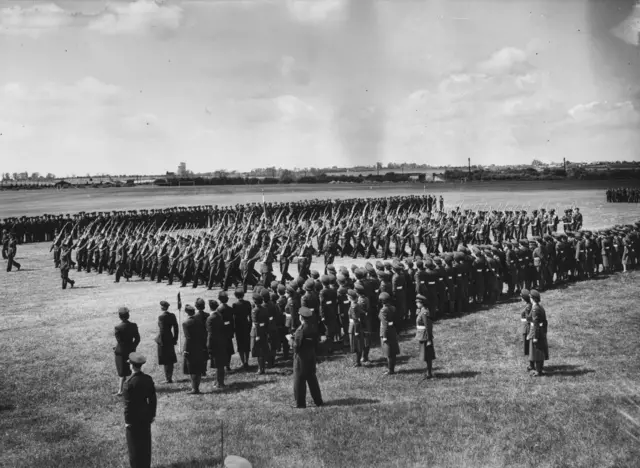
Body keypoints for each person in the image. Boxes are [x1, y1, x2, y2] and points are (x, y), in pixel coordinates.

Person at [123, 352, 157, 468]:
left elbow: (128, 406)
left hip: (133, 419)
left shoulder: (128, 383)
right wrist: (152, 415)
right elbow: (153, 399)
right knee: (145, 445)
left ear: (131, 366)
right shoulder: (148, 379)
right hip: (145, 415)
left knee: (134, 447)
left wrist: (127, 421)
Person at [290, 306, 324, 409]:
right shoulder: (313, 326)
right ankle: (318, 400)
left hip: (301, 357)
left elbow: (296, 346)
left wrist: (290, 340)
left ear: (301, 317)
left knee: (299, 381)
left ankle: (300, 403)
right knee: (312, 379)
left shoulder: (301, 329)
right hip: (311, 355)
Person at [114, 307, 141, 396]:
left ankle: (120, 391)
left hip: (121, 352)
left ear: (120, 317)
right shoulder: (133, 325)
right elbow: (137, 339)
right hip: (130, 351)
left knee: (122, 373)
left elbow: (120, 342)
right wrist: (132, 347)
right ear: (128, 315)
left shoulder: (118, 327)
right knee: (132, 369)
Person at [182, 304, 206, 394]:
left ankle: (194, 388)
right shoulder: (199, 321)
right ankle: (197, 387)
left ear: (186, 313)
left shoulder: (185, 323)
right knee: (198, 369)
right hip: (199, 347)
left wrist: (185, 350)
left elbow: (188, 338)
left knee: (192, 369)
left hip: (191, 348)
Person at [206, 298, 228, 389]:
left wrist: (208, 345)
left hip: (214, 343)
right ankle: (219, 381)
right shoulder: (219, 315)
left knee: (218, 364)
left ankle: (220, 382)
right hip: (221, 341)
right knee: (220, 364)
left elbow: (210, 333)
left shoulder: (210, 318)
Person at [155, 300, 178, 383]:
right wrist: (175, 339)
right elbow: (176, 328)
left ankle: (168, 379)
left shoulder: (161, 317)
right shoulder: (172, 315)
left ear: (162, 307)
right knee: (170, 359)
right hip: (170, 338)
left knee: (165, 359)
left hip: (163, 340)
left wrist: (159, 340)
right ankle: (169, 377)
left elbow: (162, 330)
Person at [528, 289, 549, 376]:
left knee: (537, 352)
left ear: (532, 298)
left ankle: (538, 370)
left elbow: (536, 323)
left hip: (537, 332)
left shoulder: (535, 309)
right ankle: (538, 369)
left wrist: (535, 336)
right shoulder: (538, 307)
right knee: (538, 351)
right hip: (540, 331)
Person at [378, 292, 400, 375]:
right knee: (392, 351)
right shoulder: (392, 307)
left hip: (386, 331)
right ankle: (391, 368)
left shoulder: (383, 310)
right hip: (392, 329)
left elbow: (384, 324)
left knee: (388, 352)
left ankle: (390, 370)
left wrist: (384, 336)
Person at [415, 295, 436, 378]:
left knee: (428, 355)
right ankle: (428, 372)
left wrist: (429, 339)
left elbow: (428, 326)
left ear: (422, 303)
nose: (416, 304)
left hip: (425, 336)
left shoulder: (424, 312)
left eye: (418, 302)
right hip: (422, 335)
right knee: (426, 355)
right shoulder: (421, 311)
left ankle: (429, 373)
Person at [519, 289, 534, 372]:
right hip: (525, 327)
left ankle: (531, 365)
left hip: (527, 328)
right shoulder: (528, 305)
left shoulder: (528, 307)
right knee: (528, 346)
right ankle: (531, 364)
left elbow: (528, 318)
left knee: (528, 346)